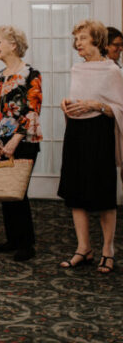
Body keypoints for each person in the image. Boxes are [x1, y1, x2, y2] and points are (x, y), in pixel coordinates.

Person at [58, 19, 123, 274]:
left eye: (82, 38)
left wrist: (97, 106)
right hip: (76, 131)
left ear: (97, 39)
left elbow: (119, 108)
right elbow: (78, 98)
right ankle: (83, 248)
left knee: (103, 193)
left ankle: (108, 250)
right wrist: (67, 103)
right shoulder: (77, 69)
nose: (78, 44)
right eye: (76, 39)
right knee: (75, 191)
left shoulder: (112, 71)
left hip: (100, 134)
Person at [0, 25, 43, 262]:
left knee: (19, 191)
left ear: (13, 45)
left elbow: (33, 108)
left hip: (24, 141)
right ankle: (12, 239)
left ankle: (27, 244)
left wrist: (16, 139)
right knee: (5, 190)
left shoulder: (31, 74)